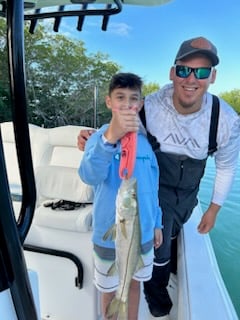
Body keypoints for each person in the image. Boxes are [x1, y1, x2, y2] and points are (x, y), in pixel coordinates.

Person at [78, 37, 240, 319]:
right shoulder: (149, 106)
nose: (191, 79)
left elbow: (226, 165)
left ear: (212, 77)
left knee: (166, 236)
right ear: (172, 72)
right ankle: (156, 292)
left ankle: (155, 281)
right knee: (159, 243)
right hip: (149, 189)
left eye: (201, 72)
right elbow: (117, 127)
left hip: (181, 188)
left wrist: (214, 209)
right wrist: (94, 136)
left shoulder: (225, 119)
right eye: (184, 70)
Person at [78, 72, 163, 320]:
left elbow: (153, 187)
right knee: (109, 289)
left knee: (134, 283)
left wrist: (157, 222)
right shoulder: (97, 138)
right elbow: (88, 175)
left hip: (144, 234)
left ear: (141, 104)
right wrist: (109, 138)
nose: (127, 104)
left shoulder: (147, 144)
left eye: (133, 99)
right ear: (108, 102)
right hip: (108, 235)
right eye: (120, 97)